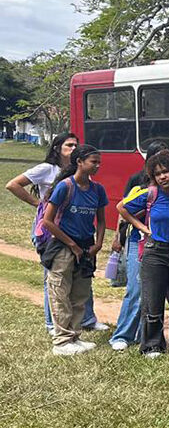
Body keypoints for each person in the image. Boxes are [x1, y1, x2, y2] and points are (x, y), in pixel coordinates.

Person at [6, 132, 102, 334]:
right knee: (54, 277)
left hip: (77, 231)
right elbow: (12, 184)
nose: (74, 148)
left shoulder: (82, 172)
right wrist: (39, 204)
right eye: (69, 145)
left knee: (82, 274)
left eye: (76, 145)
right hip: (49, 230)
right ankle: (52, 323)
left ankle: (87, 319)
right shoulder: (47, 169)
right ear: (58, 148)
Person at [118, 150, 169, 357]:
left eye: (166, 172)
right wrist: (141, 228)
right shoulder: (150, 194)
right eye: (158, 174)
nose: (162, 177)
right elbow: (122, 207)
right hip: (155, 252)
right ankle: (152, 345)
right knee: (152, 299)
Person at [41, 144, 107, 355]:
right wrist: (72, 245)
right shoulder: (65, 186)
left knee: (80, 294)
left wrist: (98, 243)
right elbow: (48, 221)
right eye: (93, 162)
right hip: (63, 246)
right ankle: (61, 341)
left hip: (86, 246)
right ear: (79, 162)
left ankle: (74, 335)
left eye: (99, 162)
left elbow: (102, 220)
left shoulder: (98, 189)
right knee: (60, 291)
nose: (97, 166)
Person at [109, 141, 168, 350]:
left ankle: (147, 335)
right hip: (138, 241)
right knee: (135, 289)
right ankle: (122, 335)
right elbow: (122, 210)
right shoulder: (138, 183)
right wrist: (118, 237)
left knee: (153, 292)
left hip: (163, 245)